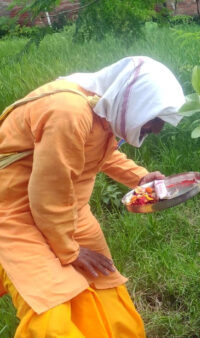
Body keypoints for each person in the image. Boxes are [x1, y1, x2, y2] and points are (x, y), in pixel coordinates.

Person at [0, 57, 185, 337]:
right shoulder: (69, 111)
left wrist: (139, 177)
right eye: (152, 121)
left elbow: (101, 151)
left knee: (105, 284)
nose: (155, 130)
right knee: (52, 313)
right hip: (15, 217)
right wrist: (69, 251)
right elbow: (48, 193)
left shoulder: (101, 107)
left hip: (67, 211)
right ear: (134, 102)